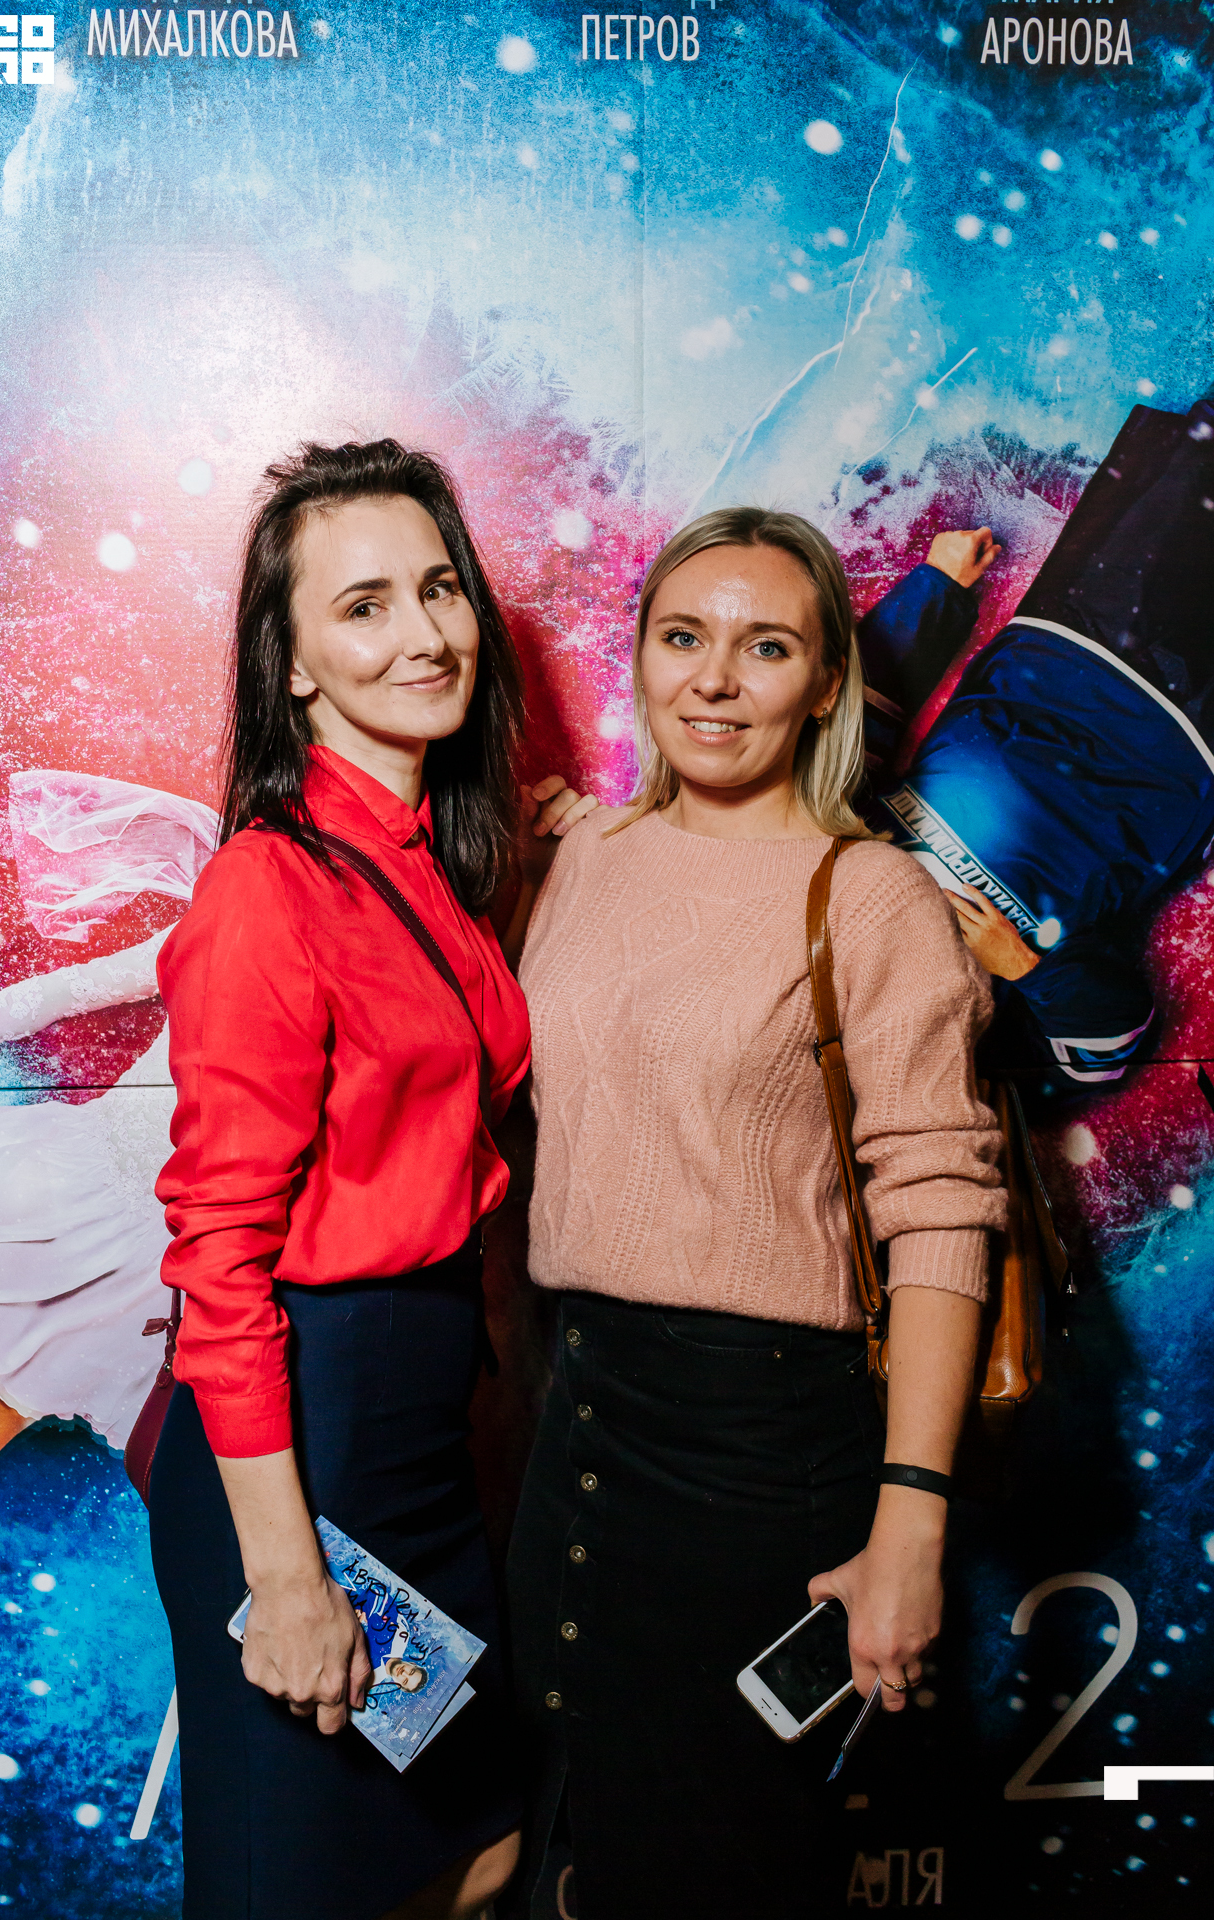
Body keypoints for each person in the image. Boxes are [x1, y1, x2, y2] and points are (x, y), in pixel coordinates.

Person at [506, 507, 1007, 1918]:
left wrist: (911, 1520)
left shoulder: (874, 898)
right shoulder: (585, 860)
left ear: (828, 681)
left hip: (760, 1460)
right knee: (557, 1855)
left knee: (718, 1870)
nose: (715, 679)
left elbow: (943, 1210)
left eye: (766, 646)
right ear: (641, 659)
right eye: (684, 637)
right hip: (574, 1424)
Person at [148, 437, 594, 1920]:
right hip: (302, 1454)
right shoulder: (264, 887)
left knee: (471, 1850)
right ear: (290, 665)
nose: (424, 632)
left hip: (412, 1443)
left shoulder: (423, 864)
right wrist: (285, 1577)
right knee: (302, 1891)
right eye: (363, 606)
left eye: (439, 588)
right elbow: (220, 1263)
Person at [858, 390, 1214, 1088]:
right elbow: (1109, 1045)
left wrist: (936, 587)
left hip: (1067, 641)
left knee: (1200, 456)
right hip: (1183, 747)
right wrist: (1023, 967)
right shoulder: (983, 1028)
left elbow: (858, 713)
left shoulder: (829, 867)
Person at [0, 771, 218, 1518]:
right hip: (104, 1221)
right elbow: (70, 991)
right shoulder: (239, 918)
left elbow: (72, 990)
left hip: (134, 1241)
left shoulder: (272, 930)